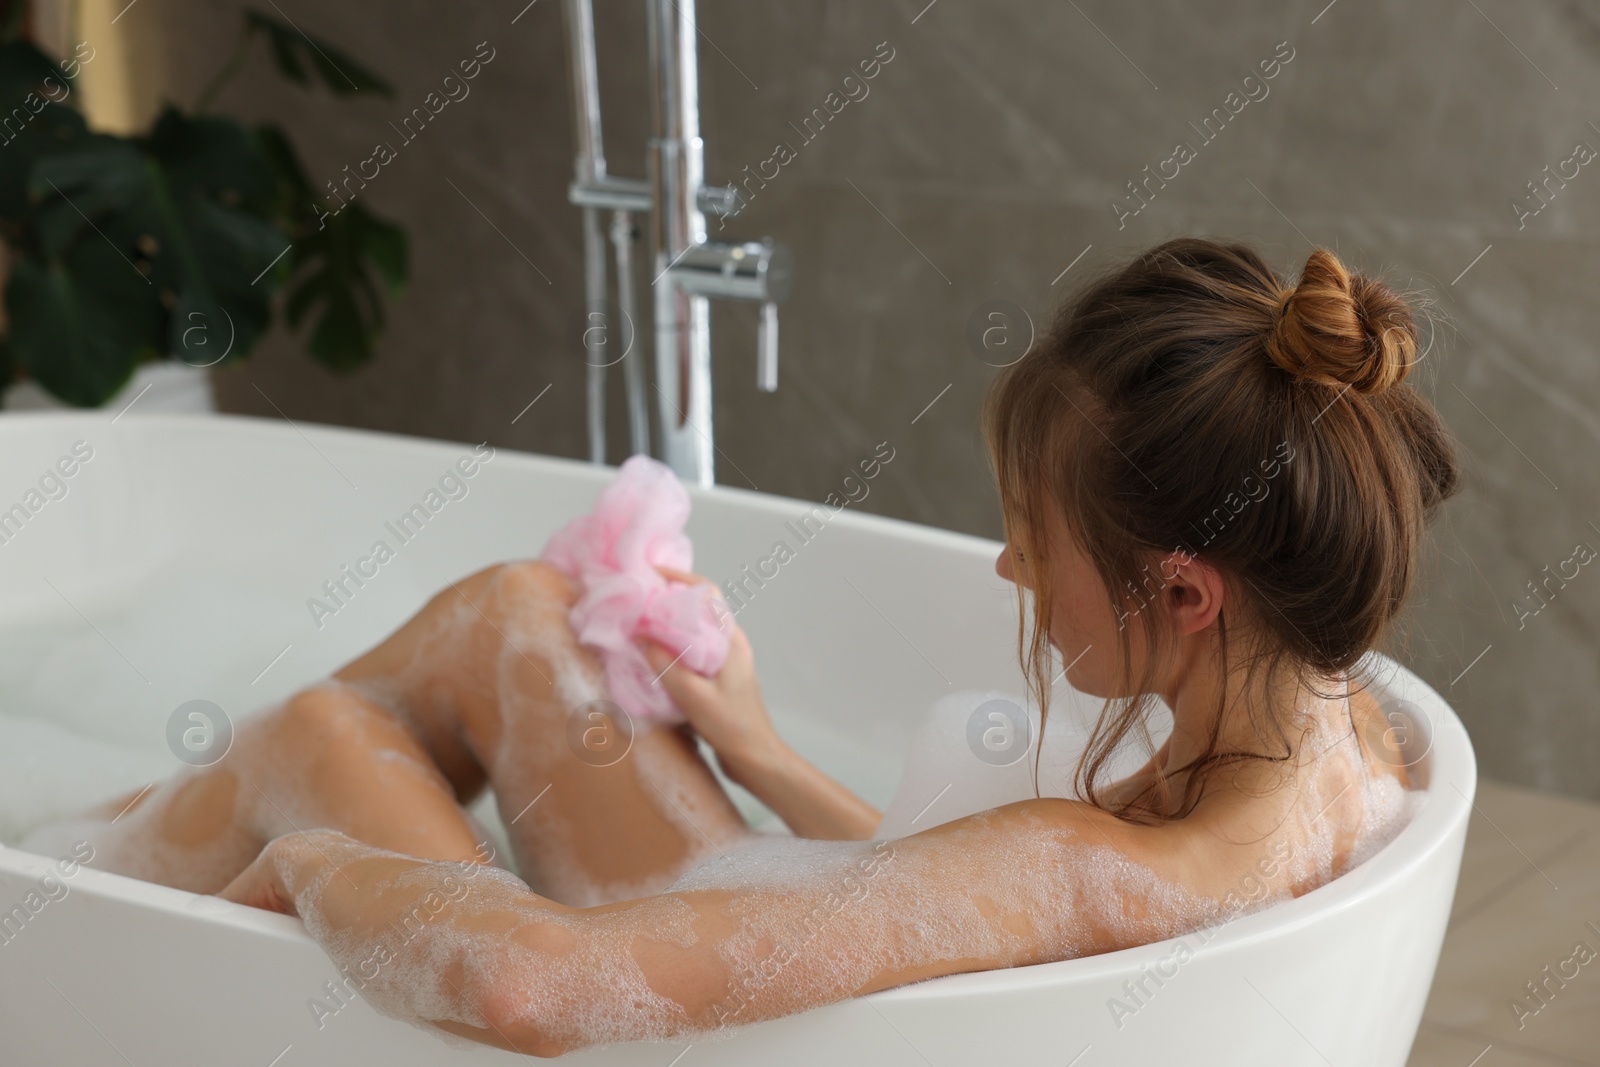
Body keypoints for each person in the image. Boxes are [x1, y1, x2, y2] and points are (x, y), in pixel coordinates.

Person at [40, 237, 1459, 1056]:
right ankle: (60, 868)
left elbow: (533, 987)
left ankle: (43, 908)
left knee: (316, 745)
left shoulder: (1102, 869)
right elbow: (958, 920)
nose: (1011, 566)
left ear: (1190, 590)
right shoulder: (1348, 727)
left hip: (682, 1032)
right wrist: (759, 752)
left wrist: (313, 862)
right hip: (756, 966)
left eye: (1035, 531)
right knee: (519, 615)